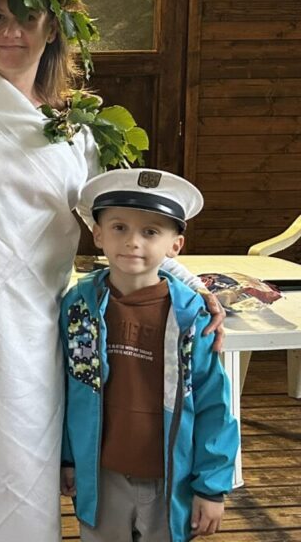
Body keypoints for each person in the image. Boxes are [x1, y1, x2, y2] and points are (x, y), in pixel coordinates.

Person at [0, 0, 224, 541]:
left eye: (26, 19)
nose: (9, 32)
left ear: (52, 28)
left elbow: (123, 228)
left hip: (39, 326)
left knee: (23, 459)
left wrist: (192, 286)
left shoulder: (77, 131)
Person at [61, 168, 238, 541]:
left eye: (151, 232)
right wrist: (67, 458)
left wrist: (210, 487)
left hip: (170, 482)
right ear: (97, 234)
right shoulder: (78, 307)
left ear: (176, 245)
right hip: (100, 478)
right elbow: (65, 389)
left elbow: (213, 404)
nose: (133, 242)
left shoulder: (191, 319)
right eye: (119, 227)